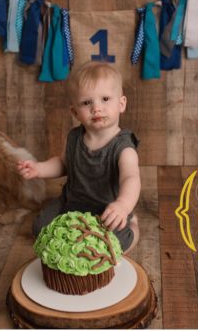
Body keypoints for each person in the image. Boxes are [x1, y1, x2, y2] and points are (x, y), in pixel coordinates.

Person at [19, 61, 141, 253]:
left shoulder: (123, 148)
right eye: (86, 103)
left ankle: (133, 226)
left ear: (121, 104)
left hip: (107, 208)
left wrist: (123, 206)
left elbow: (131, 178)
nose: (96, 108)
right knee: (40, 229)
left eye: (105, 99)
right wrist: (39, 169)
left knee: (115, 244)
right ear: (75, 112)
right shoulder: (74, 138)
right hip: (72, 203)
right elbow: (63, 164)